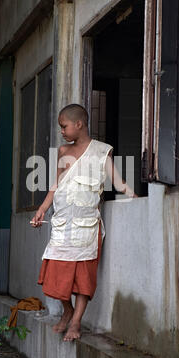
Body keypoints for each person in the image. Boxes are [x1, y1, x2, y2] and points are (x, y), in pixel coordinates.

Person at [31, 103, 137, 342]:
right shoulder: (62, 152)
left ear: (79, 124)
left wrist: (135, 198)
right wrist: (41, 209)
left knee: (83, 278)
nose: (62, 131)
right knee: (55, 274)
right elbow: (55, 186)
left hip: (86, 226)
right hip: (62, 225)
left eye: (64, 126)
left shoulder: (101, 152)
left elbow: (118, 183)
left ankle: (76, 321)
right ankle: (67, 310)